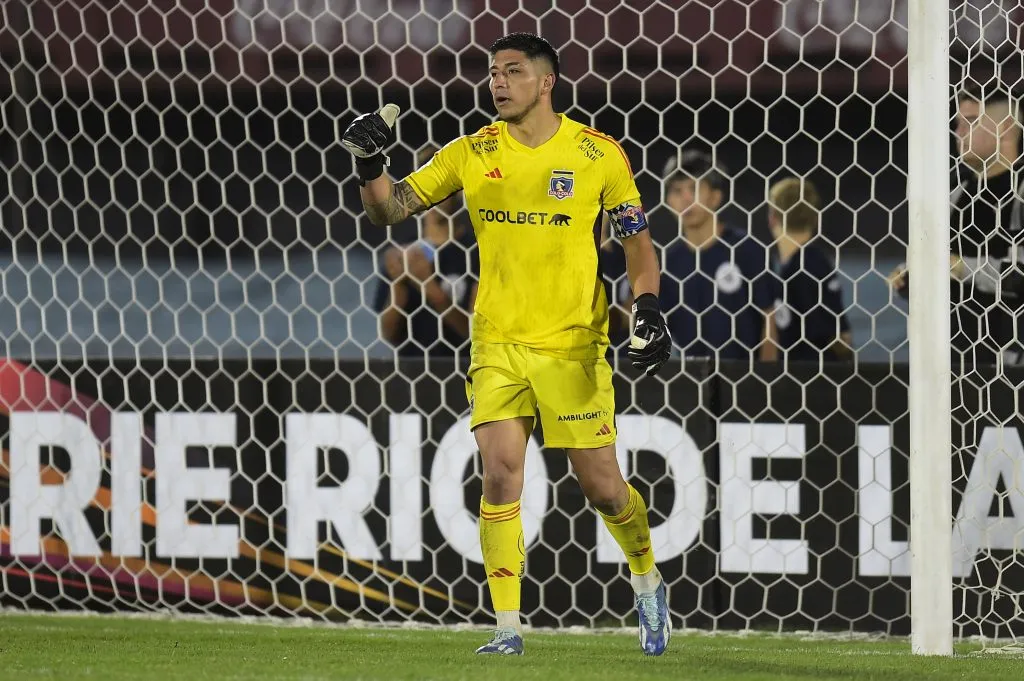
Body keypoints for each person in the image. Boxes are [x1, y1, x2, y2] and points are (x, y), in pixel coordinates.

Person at [341, 32, 673, 656]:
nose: (497, 81)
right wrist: (368, 164)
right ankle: (508, 626)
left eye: (512, 71)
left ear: (546, 82)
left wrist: (648, 308)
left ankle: (646, 577)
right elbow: (390, 210)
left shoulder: (598, 154)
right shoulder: (471, 151)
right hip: (496, 342)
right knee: (499, 473)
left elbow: (637, 245)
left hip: (572, 344)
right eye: (493, 72)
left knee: (604, 489)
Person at [890, 82, 1024, 366]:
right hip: (950, 361)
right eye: (957, 123)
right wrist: (913, 277)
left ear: (1004, 128)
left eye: (971, 122)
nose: (959, 132)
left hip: (1009, 363)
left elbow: (1018, 276)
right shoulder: (954, 190)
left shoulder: (1019, 191)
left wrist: (961, 267)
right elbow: (943, 265)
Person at [658, 149, 777, 362]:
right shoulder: (669, 264)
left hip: (745, 376)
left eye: (694, 188)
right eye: (677, 191)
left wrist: (766, 378)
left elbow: (770, 319)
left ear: (715, 197)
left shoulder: (747, 250)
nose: (686, 199)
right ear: (668, 201)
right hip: (690, 377)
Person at [374, 145, 478, 361]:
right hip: (411, 373)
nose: (434, 192)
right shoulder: (403, 254)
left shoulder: (478, 252)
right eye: (427, 183)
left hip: (461, 370)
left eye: (442, 183)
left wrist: (428, 285)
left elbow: (476, 335)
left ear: (459, 189)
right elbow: (388, 334)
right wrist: (399, 284)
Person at [767, 177, 852, 361]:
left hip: (810, 376)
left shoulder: (807, 266)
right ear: (815, 219)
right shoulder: (807, 263)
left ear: (772, 218)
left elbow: (837, 339)